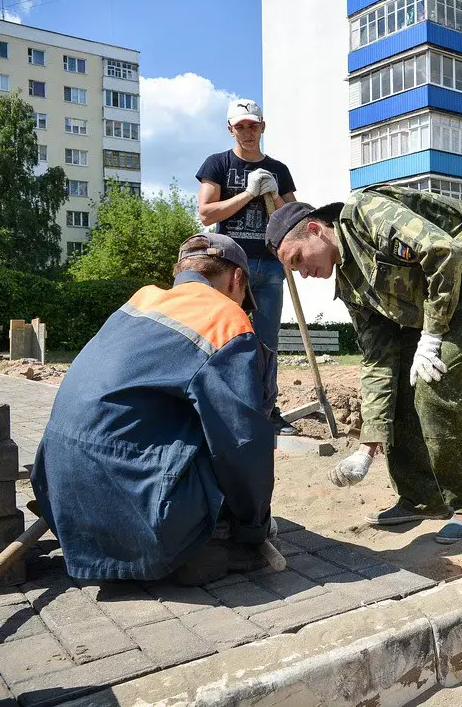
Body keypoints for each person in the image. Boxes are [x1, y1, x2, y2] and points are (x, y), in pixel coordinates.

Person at [265, 186, 462, 544]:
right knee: (403, 388)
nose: (303, 273)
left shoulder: (365, 213)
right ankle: (423, 497)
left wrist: (433, 334)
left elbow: (443, 252)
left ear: (315, 230)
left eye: (297, 259)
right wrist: (367, 447)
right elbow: (378, 361)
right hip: (440, 300)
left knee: (435, 386)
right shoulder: (350, 286)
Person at [30, 233, 278, 583]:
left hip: (59, 496)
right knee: (221, 434)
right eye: (242, 296)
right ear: (237, 279)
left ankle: (118, 538)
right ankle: (181, 550)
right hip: (145, 516)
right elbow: (241, 443)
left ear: (180, 272)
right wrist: (254, 528)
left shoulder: (138, 302)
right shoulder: (226, 320)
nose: (241, 305)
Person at [196, 98, 296, 434]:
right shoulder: (218, 164)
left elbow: (294, 220)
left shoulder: (278, 170)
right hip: (229, 267)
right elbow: (207, 213)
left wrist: (275, 194)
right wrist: (248, 193)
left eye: (253, 125)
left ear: (262, 127)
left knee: (267, 343)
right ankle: (222, 407)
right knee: (226, 337)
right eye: (241, 126)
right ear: (230, 129)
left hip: (269, 266)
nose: (248, 132)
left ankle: (268, 410)